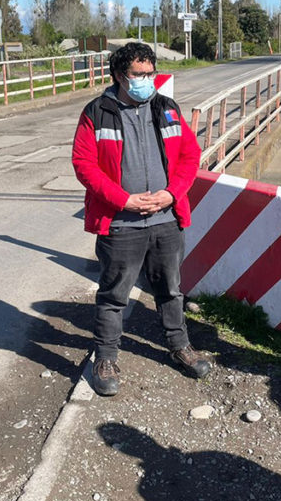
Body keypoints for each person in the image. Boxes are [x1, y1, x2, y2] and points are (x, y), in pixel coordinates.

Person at [71, 42, 212, 397]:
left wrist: (171, 193)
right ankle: (104, 358)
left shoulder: (166, 108)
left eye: (150, 73)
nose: (147, 80)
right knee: (114, 294)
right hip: (121, 224)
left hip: (165, 219)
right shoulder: (97, 112)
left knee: (171, 289)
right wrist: (124, 200)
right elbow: (83, 164)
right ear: (120, 75)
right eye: (139, 74)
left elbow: (190, 156)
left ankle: (180, 346)